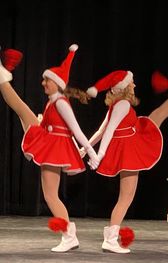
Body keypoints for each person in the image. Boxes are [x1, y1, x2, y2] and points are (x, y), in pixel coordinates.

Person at [81, 61, 168, 253]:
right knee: (126, 197)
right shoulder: (123, 105)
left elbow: (101, 130)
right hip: (129, 148)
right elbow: (107, 131)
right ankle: (110, 239)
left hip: (132, 139)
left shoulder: (117, 105)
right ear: (125, 87)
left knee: (157, 115)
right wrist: (98, 154)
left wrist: (85, 149)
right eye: (132, 83)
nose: (134, 85)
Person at [0, 44, 99, 252]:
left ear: (57, 83)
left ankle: (69, 235)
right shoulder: (52, 102)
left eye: (47, 80)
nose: (43, 83)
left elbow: (76, 131)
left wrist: (90, 152)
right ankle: (69, 234)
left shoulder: (61, 102)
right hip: (51, 142)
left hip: (55, 147)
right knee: (22, 111)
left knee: (51, 196)